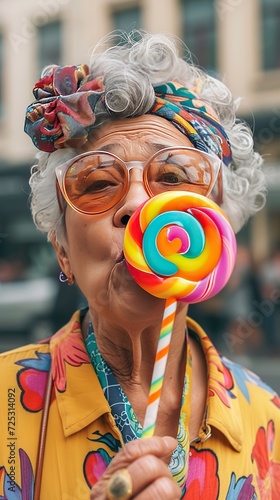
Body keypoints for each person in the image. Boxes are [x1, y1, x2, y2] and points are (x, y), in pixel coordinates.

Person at [0, 31, 279, 500]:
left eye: (172, 177)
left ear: (216, 228)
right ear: (62, 248)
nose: (134, 204)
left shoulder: (269, 421)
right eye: (97, 183)